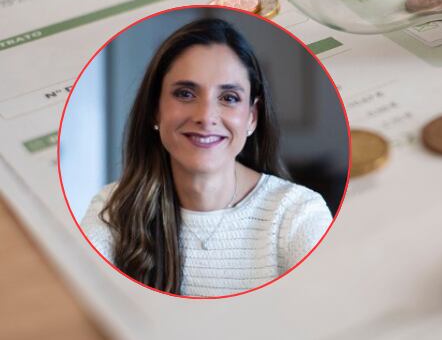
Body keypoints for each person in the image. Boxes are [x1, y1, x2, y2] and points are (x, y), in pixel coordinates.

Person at [79, 17, 332, 297]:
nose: (205, 117)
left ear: (251, 117)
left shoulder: (297, 213)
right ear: (155, 110)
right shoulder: (113, 209)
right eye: (185, 94)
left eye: (229, 98)